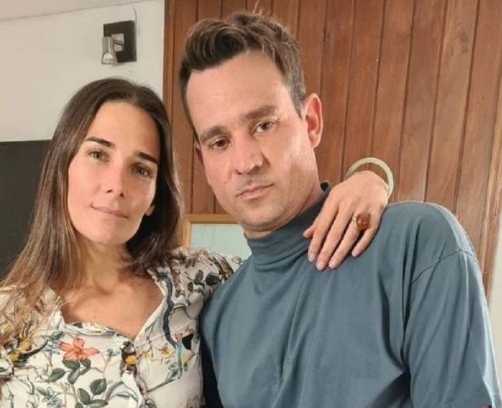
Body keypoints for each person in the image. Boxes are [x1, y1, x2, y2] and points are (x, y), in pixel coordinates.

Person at [0, 78, 389, 407]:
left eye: (140, 169)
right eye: (98, 155)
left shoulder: (195, 278)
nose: (116, 185)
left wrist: (370, 177)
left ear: (155, 196)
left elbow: (291, 267)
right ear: (62, 168)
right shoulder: (5, 316)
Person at [178, 11, 502, 408]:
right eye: (219, 142)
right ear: (203, 162)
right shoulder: (219, 315)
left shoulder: (416, 245)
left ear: (311, 122)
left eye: (263, 125)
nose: (245, 162)